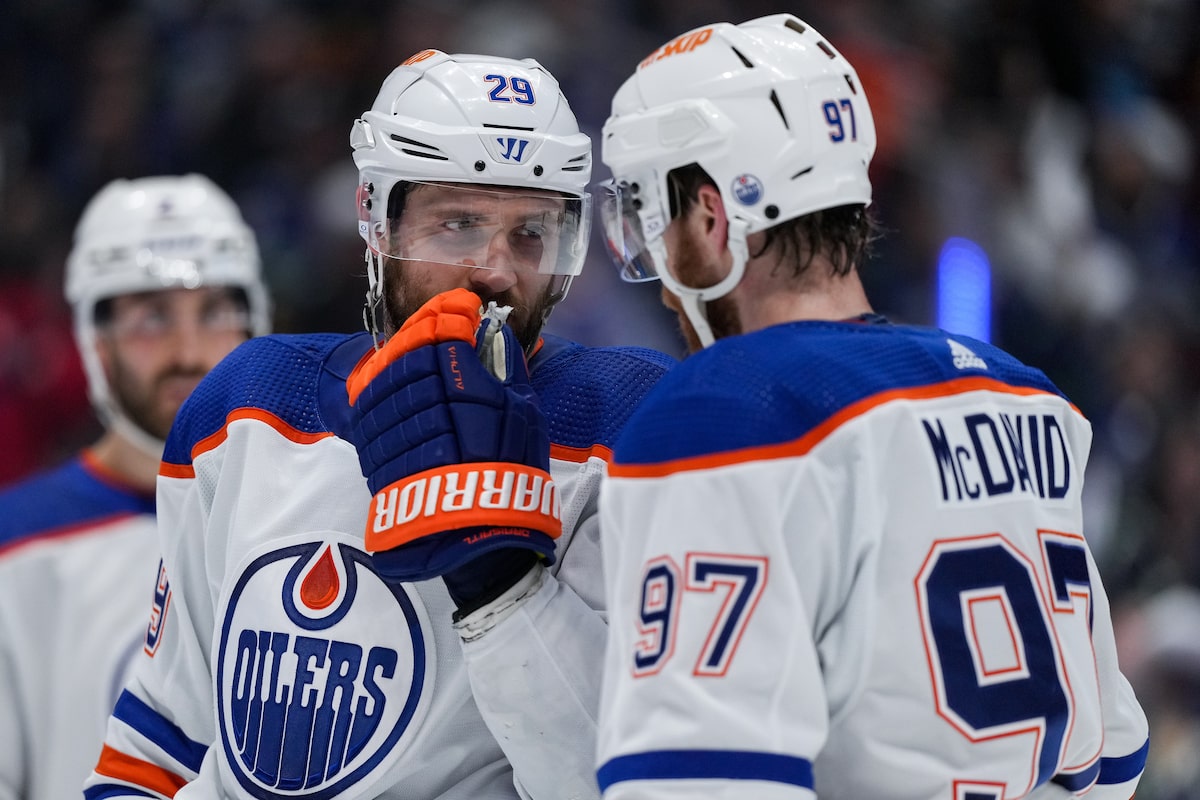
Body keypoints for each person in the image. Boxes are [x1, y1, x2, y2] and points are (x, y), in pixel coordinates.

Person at [85, 51, 675, 800]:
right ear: (376, 217)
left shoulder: (626, 424)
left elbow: (624, 780)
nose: (495, 269)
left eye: (531, 233)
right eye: (457, 224)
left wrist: (501, 587)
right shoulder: (246, 405)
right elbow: (159, 738)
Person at [593, 13, 1149, 800]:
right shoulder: (1029, 398)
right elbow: (1112, 757)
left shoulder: (721, 412)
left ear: (713, 218)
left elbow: (697, 780)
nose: (648, 256)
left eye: (649, 216)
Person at [0, 174, 271, 800]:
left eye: (216, 311)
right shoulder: (14, 548)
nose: (189, 350)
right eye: (151, 316)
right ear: (96, 340)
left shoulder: (311, 520)